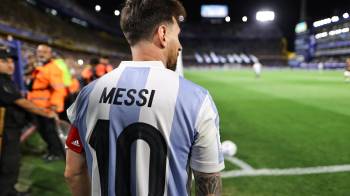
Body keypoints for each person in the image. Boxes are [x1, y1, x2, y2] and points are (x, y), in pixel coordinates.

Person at [64, 0, 224, 196]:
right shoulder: (197, 99)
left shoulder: (88, 94)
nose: (180, 46)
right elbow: (208, 184)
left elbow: (73, 172)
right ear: (163, 34)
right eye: (178, 36)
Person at [0, 49, 57, 196]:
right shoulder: (2, 81)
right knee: (9, 162)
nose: (11, 64)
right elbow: (22, 102)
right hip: (6, 131)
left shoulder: (6, 80)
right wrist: (46, 113)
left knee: (10, 161)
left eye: (12, 61)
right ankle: (7, 192)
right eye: (5, 61)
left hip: (10, 128)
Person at [27, 44, 66, 161]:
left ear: (50, 54)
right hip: (37, 106)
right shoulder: (42, 66)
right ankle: (51, 150)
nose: (41, 54)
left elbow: (59, 89)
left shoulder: (52, 68)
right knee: (43, 131)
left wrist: (54, 107)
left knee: (50, 132)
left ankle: (56, 153)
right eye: (39, 52)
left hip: (47, 107)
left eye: (44, 52)